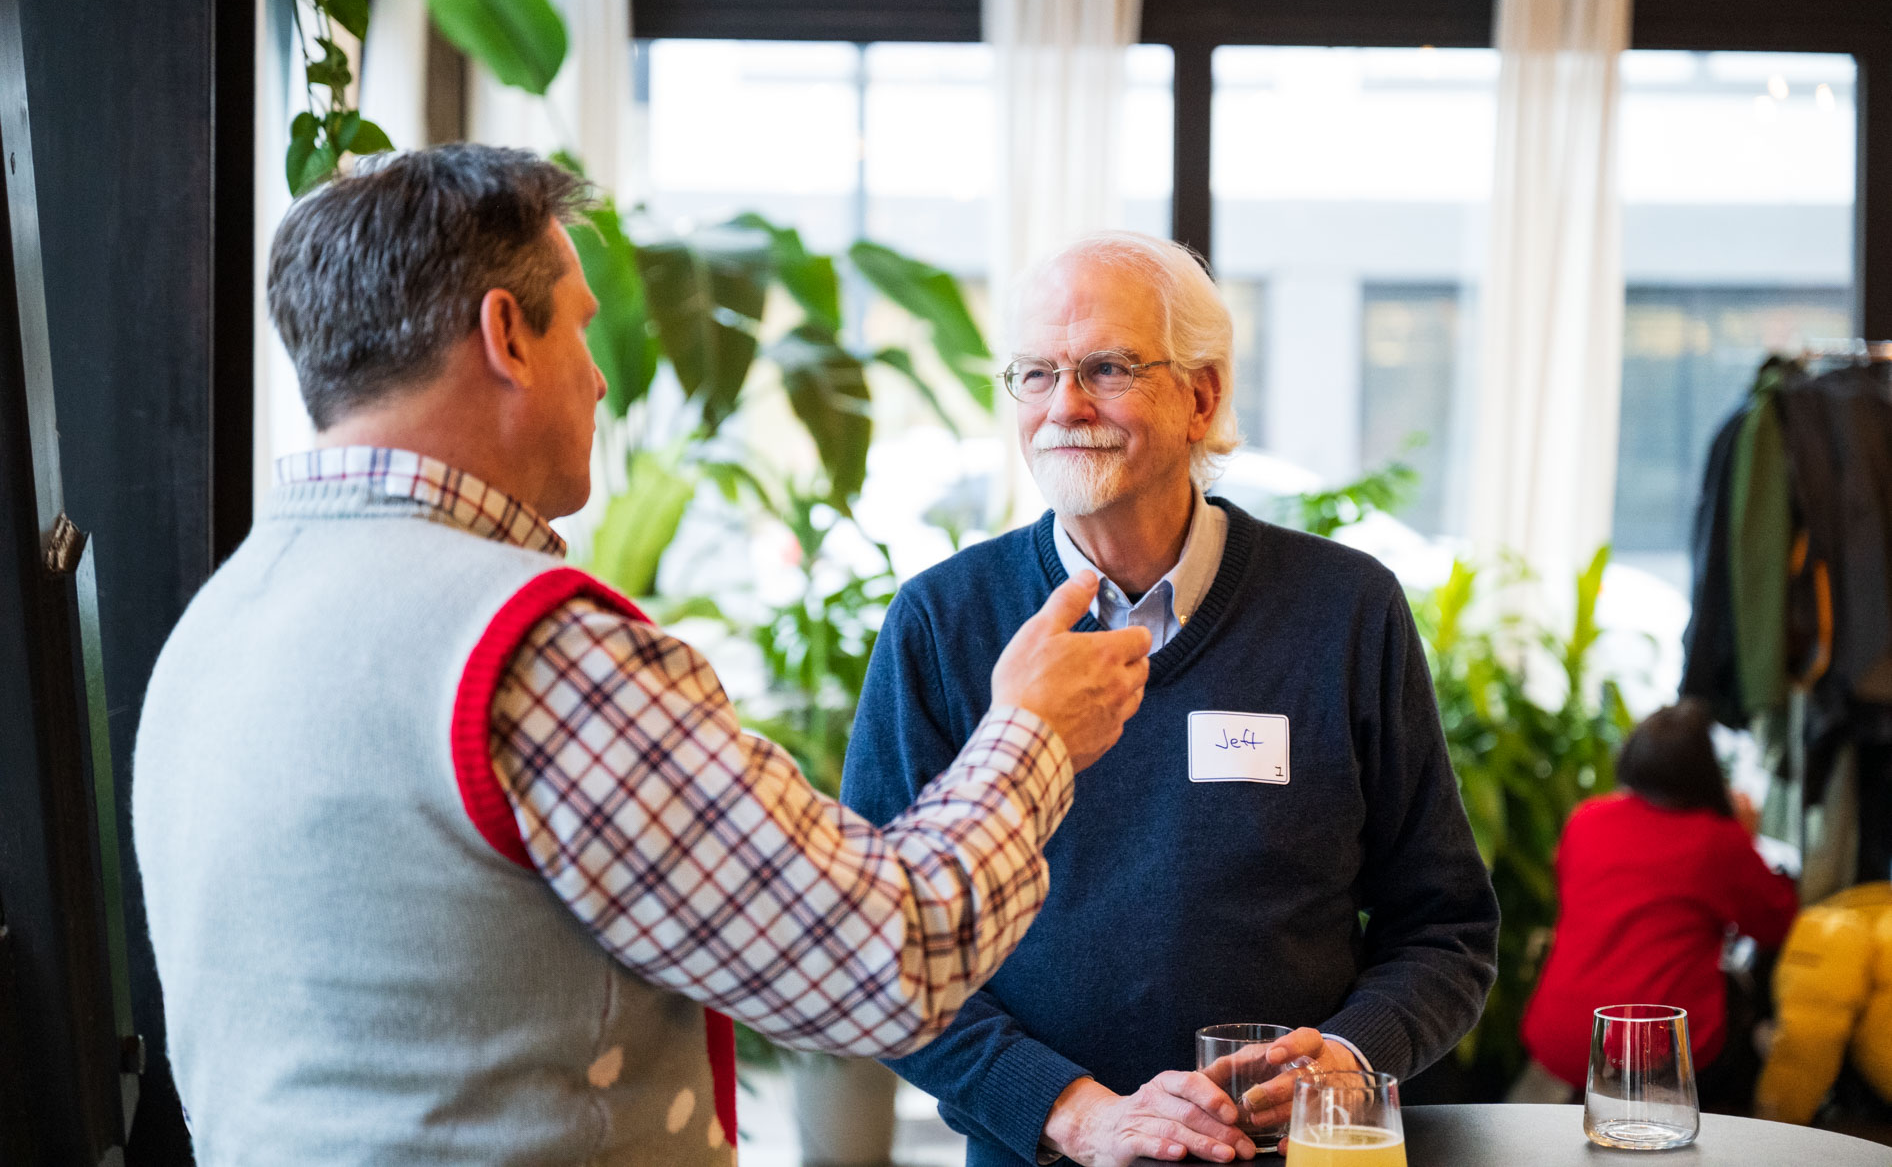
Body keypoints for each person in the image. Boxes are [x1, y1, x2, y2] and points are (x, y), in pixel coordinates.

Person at [131, 146, 1153, 1166]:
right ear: (505, 336)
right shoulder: (534, 653)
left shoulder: (218, 624)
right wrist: (1033, 735)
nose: (602, 373)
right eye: (578, 325)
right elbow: (884, 965)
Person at [840, 232, 1500, 1167]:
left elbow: (1446, 926)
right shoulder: (944, 624)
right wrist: (1075, 1112)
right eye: (1035, 373)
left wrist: (1353, 1058)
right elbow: (880, 956)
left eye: (1105, 367)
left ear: (1203, 396)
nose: (1064, 405)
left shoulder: (1346, 610)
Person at [1519, 699, 1799, 1102]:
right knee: (1742, 1013)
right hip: (1655, 1053)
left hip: (1562, 1037)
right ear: (1706, 773)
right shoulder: (1717, 841)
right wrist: (1746, 834)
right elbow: (1778, 921)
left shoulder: (1587, 819)